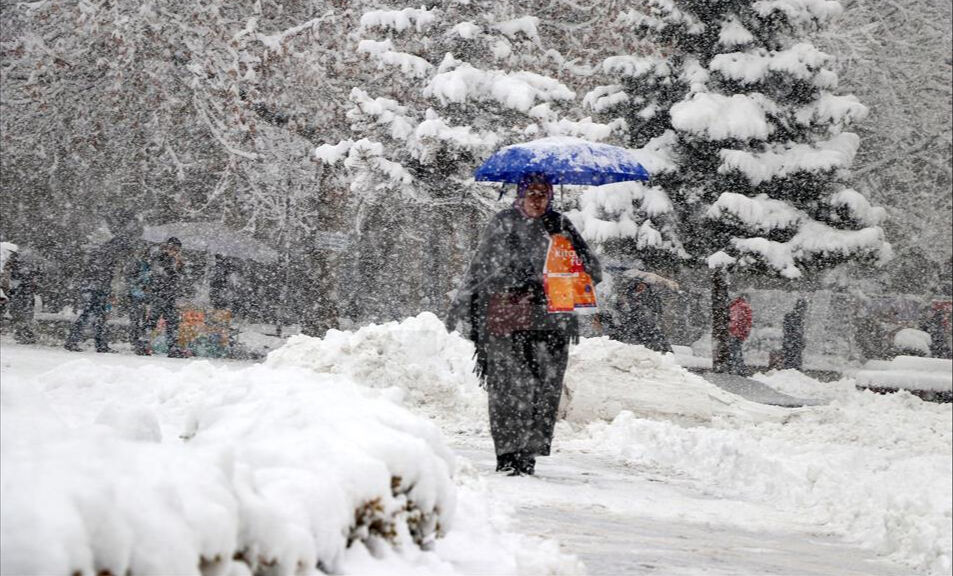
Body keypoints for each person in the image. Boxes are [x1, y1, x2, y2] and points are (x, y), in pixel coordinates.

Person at [445, 173, 602, 477]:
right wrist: (467, 302)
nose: (537, 199)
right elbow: (481, 268)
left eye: (543, 193)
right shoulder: (502, 223)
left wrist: (562, 273)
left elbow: (592, 269)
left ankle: (527, 456)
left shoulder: (560, 225)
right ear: (519, 194)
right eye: (531, 193)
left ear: (551, 196)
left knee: (543, 391)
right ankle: (507, 455)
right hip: (506, 320)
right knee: (508, 389)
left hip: (552, 323)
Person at [65, 233, 135, 352]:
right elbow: (102, 274)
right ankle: (86, 342)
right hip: (95, 289)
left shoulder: (104, 252)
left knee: (94, 316)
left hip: (94, 288)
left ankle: (91, 342)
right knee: (93, 315)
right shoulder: (107, 254)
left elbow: (99, 273)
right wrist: (106, 290)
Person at [608, 270, 678, 353]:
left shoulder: (650, 296)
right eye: (639, 285)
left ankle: (665, 353)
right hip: (631, 322)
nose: (641, 288)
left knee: (654, 337)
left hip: (644, 322)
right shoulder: (628, 294)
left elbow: (657, 308)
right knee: (625, 337)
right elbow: (619, 307)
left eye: (643, 286)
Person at [145, 237, 187, 358]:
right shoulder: (159, 257)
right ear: (167, 247)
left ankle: (173, 347)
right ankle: (144, 344)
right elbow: (161, 274)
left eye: (177, 249)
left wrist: (180, 265)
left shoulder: (176, 260)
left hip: (171, 295)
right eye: (172, 248)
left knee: (172, 322)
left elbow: (180, 278)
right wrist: (174, 265)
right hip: (159, 294)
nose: (174, 251)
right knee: (152, 320)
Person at [1, 244, 43, 344]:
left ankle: (24, 334)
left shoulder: (18, 263)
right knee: (23, 313)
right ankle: (24, 334)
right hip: (20, 292)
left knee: (22, 313)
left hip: (19, 292)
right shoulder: (21, 263)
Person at [125, 246, 154, 355]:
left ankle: (142, 343)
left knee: (144, 320)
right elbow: (130, 280)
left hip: (146, 297)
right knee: (136, 320)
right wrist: (141, 283)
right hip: (135, 295)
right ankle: (135, 342)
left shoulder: (149, 266)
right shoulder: (136, 264)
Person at [727, 294, 752, 375]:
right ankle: (740, 370)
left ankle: (736, 370)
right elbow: (747, 322)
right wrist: (744, 333)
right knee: (736, 352)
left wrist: (731, 330)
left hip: (733, 333)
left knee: (734, 352)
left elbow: (734, 320)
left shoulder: (735, 306)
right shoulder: (744, 306)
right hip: (737, 333)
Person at [781, 298, 808, 370]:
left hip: (791, 345)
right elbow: (794, 332)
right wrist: (800, 341)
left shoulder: (793, 317)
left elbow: (788, 331)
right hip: (793, 345)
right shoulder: (795, 317)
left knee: (789, 363)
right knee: (793, 364)